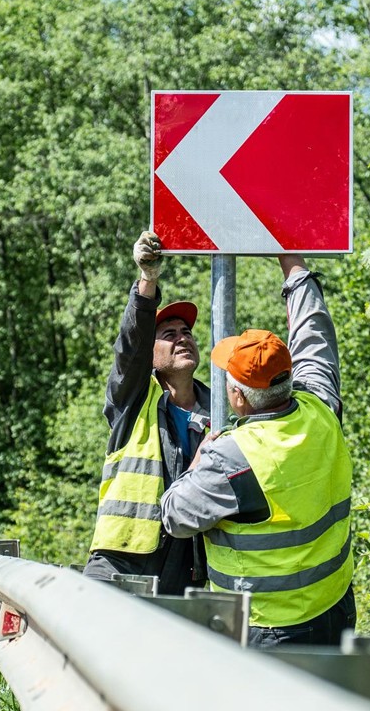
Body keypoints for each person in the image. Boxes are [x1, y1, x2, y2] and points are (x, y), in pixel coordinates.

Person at [161, 254, 356, 646]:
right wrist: (293, 263)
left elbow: (175, 516)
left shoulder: (231, 458)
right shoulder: (320, 406)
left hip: (268, 628)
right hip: (335, 608)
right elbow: (313, 333)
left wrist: (198, 461)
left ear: (238, 398)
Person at [83, 230, 210, 595]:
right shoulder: (134, 398)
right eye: (168, 334)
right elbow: (131, 346)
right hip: (121, 562)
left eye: (186, 331)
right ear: (151, 356)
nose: (182, 337)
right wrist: (147, 282)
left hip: (186, 567)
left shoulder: (219, 409)